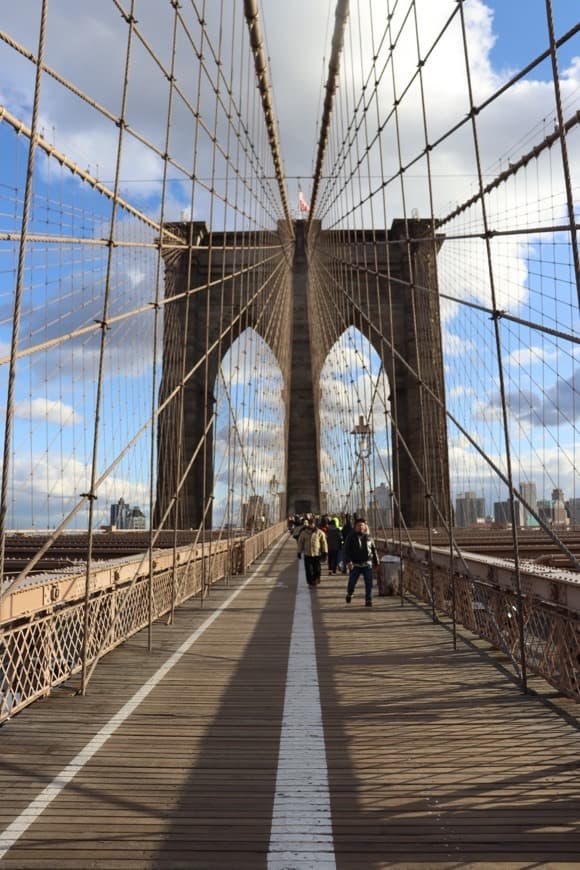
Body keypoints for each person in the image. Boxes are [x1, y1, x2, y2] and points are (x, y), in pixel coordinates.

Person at [343, 517, 379, 606]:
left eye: (362, 525)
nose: (360, 527)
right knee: (352, 583)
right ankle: (350, 593)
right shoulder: (351, 537)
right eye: (358, 525)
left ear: (365, 526)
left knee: (369, 583)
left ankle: (368, 600)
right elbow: (346, 550)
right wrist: (349, 561)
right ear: (355, 526)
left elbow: (374, 550)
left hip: (367, 564)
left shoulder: (369, 537)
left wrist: (376, 562)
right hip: (355, 564)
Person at [297, 517, 328, 586]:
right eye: (310, 524)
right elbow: (300, 543)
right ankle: (310, 582)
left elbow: (324, 543)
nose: (311, 525)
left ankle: (316, 578)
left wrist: (325, 552)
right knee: (309, 570)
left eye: (312, 523)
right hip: (307, 554)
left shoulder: (319, 532)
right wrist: (299, 552)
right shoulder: (304, 533)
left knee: (317, 569)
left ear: (315, 524)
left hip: (317, 554)